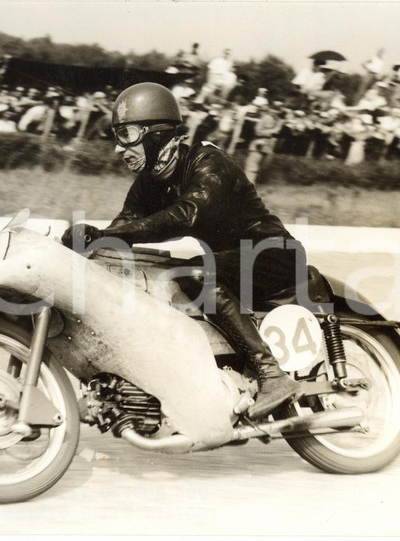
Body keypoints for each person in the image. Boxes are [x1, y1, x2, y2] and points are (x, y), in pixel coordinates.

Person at [61, 82, 306, 418]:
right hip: (229, 265)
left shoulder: (208, 162)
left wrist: (106, 234)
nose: (119, 148)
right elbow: (124, 228)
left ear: (156, 134)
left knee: (193, 273)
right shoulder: (149, 182)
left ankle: (272, 375)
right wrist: (85, 243)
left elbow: (186, 213)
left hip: (274, 255)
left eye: (127, 134)